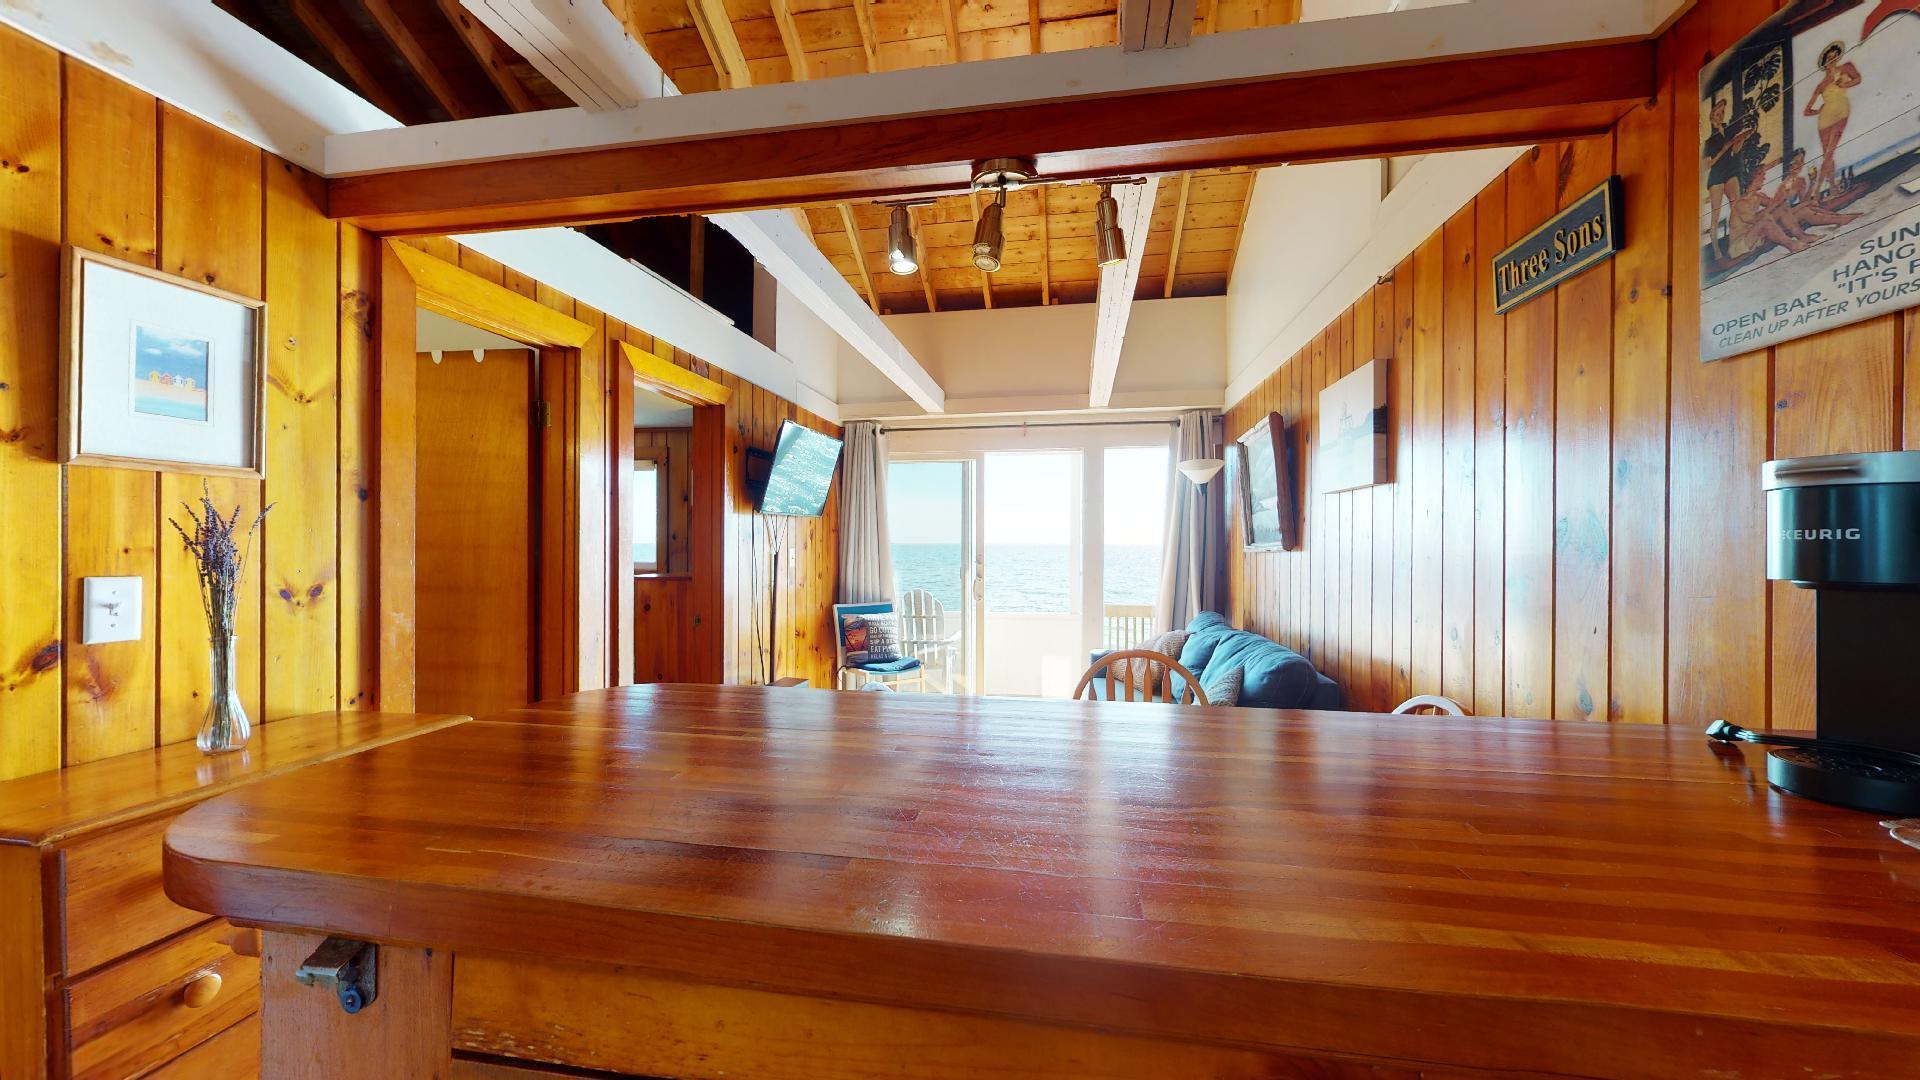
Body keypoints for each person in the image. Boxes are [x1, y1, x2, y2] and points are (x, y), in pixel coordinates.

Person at [1804, 41, 1862, 198]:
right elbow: (1806, 111)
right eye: (1829, 58)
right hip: (1825, 119)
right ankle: (1833, 188)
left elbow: (1858, 79)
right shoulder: (1821, 85)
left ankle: (1816, 193)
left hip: (1841, 112)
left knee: (1829, 153)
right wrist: (1819, 110)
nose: (1833, 60)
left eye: (1835, 56)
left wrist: (1845, 84)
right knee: (1827, 156)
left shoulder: (1846, 67)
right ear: (1824, 63)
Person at [1770, 147, 1863, 237]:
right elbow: (1783, 213)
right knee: (1805, 211)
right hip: (1782, 220)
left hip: (1791, 214)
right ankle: (1840, 219)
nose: (1799, 165)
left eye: (1801, 161)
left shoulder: (1800, 181)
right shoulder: (1783, 186)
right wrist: (1807, 203)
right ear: (1789, 165)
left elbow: (1804, 202)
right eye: (1795, 162)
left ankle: (1839, 217)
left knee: (1810, 207)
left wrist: (1812, 183)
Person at [1702, 97, 1753, 254]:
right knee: (1715, 214)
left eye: (1722, 112)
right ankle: (1717, 252)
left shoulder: (1729, 131)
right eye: (1717, 114)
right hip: (1717, 175)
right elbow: (1707, 165)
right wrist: (1723, 149)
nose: (1721, 116)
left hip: (1730, 171)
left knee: (1736, 206)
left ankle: (1735, 243)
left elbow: (1735, 151)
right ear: (1712, 118)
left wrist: (1741, 141)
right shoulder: (1709, 141)